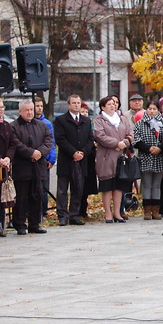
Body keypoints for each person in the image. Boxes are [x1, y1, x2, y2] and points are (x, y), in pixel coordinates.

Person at [10, 100, 52, 235]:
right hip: (22, 168)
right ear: (20, 111)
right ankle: (20, 224)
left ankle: (35, 224)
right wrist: (30, 153)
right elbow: (16, 144)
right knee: (21, 198)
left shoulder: (41, 125)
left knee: (37, 196)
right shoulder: (13, 126)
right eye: (26, 110)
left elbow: (48, 141)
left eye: (31, 110)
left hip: (38, 167)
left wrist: (40, 153)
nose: (29, 112)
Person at [54, 94, 94, 226]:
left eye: (78, 103)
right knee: (62, 190)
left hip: (81, 160)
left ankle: (74, 215)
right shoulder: (61, 120)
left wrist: (83, 152)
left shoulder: (86, 121)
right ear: (68, 105)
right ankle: (62, 215)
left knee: (78, 188)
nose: (76, 105)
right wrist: (73, 152)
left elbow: (90, 139)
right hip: (66, 159)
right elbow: (60, 139)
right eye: (74, 103)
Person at [93, 96, 133, 223]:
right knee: (107, 186)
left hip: (120, 157)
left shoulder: (122, 119)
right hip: (106, 157)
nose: (112, 106)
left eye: (114, 103)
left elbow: (130, 133)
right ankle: (108, 213)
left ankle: (117, 212)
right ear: (103, 107)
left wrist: (125, 143)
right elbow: (100, 136)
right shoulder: (99, 120)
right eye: (109, 104)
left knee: (119, 186)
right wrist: (116, 143)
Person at [134, 100, 163, 220]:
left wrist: (160, 148)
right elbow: (136, 140)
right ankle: (147, 210)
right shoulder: (140, 123)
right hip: (145, 156)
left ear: (158, 110)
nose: (152, 111)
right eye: (150, 109)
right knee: (147, 184)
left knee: (157, 185)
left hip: (159, 157)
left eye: (154, 109)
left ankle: (156, 210)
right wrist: (148, 148)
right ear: (146, 109)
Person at [0, 96, 16, 237]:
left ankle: (0, 224)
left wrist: (8, 157)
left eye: (3, 107)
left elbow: (13, 143)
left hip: (4, 167)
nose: (2, 110)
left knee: (2, 196)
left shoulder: (6, 125)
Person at [34, 96, 56, 217]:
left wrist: (52, 158)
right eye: (37, 106)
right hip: (32, 159)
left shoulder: (47, 123)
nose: (39, 108)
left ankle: (43, 211)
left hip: (45, 160)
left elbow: (51, 142)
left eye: (41, 106)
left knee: (44, 188)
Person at [78, 102, 98, 219]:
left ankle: (83, 210)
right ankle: (77, 210)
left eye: (86, 111)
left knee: (87, 186)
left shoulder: (89, 124)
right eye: (82, 111)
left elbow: (92, 138)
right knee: (78, 186)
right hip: (79, 156)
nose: (85, 113)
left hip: (89, 156)